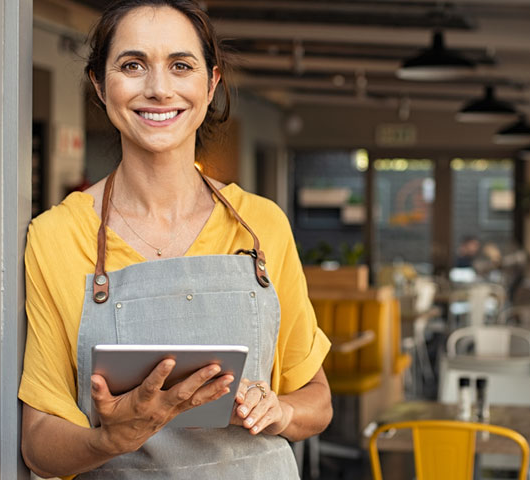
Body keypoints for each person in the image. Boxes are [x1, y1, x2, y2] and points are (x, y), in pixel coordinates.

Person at [19, 2, 332, 478]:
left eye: (180, 66)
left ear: (210, 84)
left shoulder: (262, 225)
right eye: (132, 65)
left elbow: (318, 399)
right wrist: (109, 439)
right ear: (101, 85)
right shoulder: (57, 236)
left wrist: (281, 412)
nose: (159, 89)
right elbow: (39, 444)